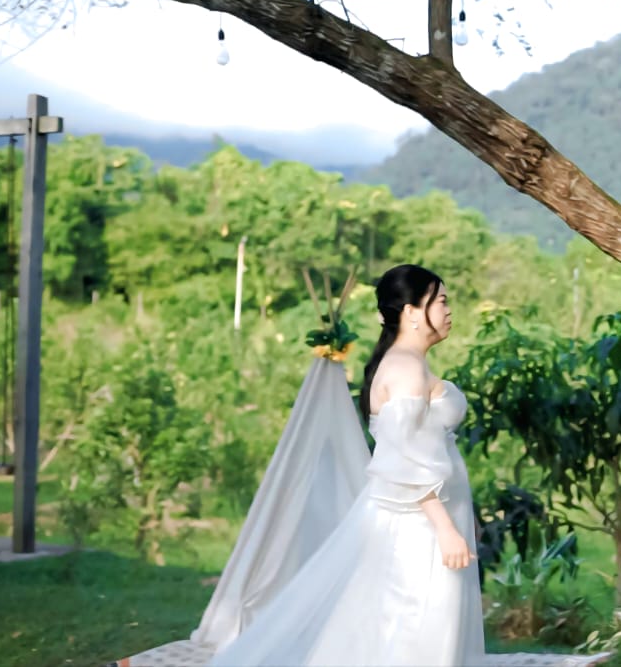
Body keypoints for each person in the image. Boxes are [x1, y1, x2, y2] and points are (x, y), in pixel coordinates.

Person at [208, 264, 485, 666]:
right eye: (441, 301)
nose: (448, 310)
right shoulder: (405, 369)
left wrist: (463, 517)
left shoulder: (411, 362)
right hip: (418, 524)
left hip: (436, 514)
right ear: (411, 312)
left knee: (430, 622)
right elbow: (404, 458)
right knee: (417, 622)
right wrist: (444, 528)